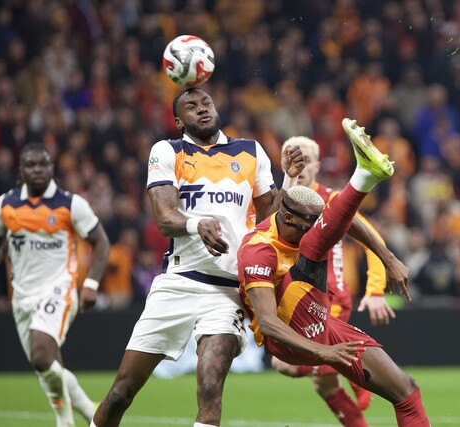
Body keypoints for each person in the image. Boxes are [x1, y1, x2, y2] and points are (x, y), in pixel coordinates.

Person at [91, 87, 304, 427]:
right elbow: (164, 217)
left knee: (209, 384)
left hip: (228, 290)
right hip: (178, 282)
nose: (202, 109)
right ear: (178, 121)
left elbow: (271, 222)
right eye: (191, 106)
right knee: (121, 393)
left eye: (206, 103)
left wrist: (290, 178)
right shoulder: (168, 151)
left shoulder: (250, 151)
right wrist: (196, 224)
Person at [237, 118, 430, 427]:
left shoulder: (313, 209)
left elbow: (348, 221)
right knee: (314, 245)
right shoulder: (258, 249)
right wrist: (323, 353)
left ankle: (365, 175)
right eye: (311, 223)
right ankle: (363, 176)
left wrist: (389, 259)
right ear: (288, 218)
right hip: (287, 332)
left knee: (406, 390)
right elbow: (269, 324)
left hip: (325, 316)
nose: (319, 226)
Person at [0, 142, 110, 427]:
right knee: (48, 366)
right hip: (22, 296)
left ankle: (65, 421)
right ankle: (91, 412)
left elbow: (100, 242)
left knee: (41, 356)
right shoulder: (5, 205)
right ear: (21, 170)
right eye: (31, 165)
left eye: (43, 164)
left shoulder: (70, 204)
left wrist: (91, 283)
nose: (38, 169)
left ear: (52, 167)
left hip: (59, 289)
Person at [271, 135, 402, 425]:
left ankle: (354, 371)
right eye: (292, 157)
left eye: (306, 158)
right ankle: (350, 373)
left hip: (329, 298)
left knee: (282, 364)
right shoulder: (278, 204)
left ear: (317, 165)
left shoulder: (331, 199)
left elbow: (372, 239)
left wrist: (375, 290)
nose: (299, 164)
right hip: (294, 298)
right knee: (325, 385)